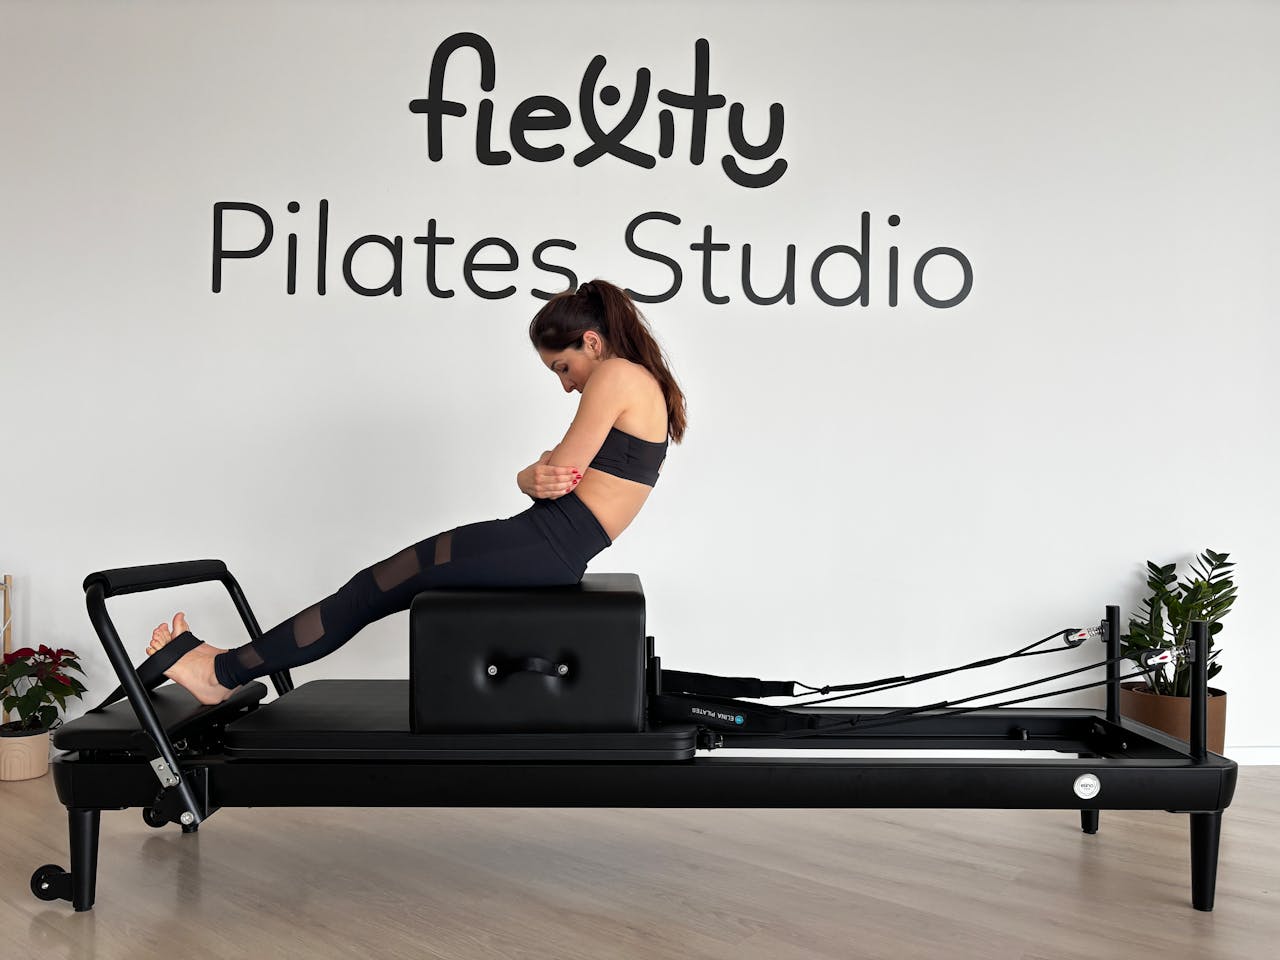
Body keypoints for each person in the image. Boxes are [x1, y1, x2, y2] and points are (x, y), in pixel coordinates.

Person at [143, 279, 687, 707]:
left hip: (545, 542)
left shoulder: (615, 374)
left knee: (370, 589)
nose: (566, 384)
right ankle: (223, 666)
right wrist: (532, 475)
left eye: (564, 367)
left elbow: (557, 475)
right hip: (548, 543)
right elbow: (555, 477)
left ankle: (221, 672)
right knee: (375, 588)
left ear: (592, 342)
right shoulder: (640, 382)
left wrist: (532, 474)